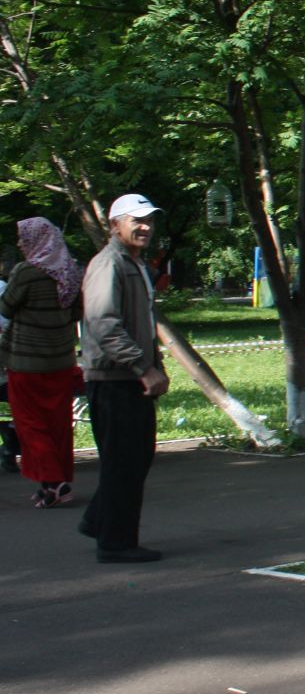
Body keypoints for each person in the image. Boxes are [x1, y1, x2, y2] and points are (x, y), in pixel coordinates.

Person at [77, 195, 168, 562]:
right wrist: (141, 367)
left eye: (150, 220)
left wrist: (153, 364)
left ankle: (99, 520)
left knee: (135, 457)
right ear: (115, 224)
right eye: (137, 220)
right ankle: (114, 544)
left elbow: (140, 323)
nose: (145, 226)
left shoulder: (134, 263)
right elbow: (103, 323)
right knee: (123, 461)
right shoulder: (108, 263)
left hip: (128, 376)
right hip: (112, 378)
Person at [1, 217, 84, 507]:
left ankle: (53, 483)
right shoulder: (69, 270)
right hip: (61, 361)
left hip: (26, 363)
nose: (21, 244)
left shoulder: (26, 271)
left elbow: (6, 307)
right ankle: (53, 484)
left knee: (30, 424)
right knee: (58, 424)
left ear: (37, 239)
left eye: (24, 238)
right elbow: (77, 313)